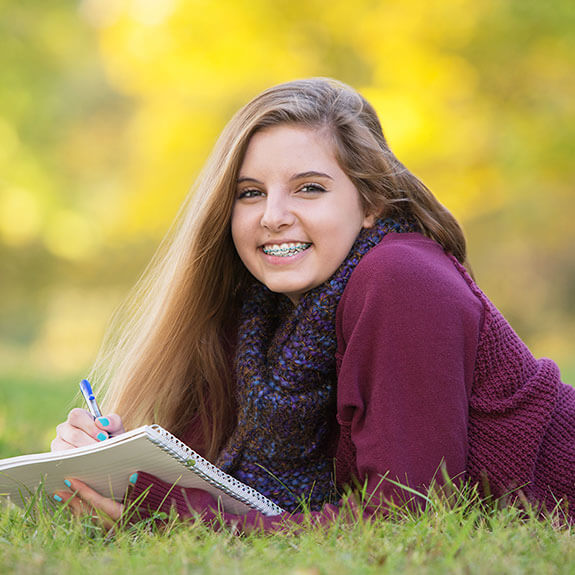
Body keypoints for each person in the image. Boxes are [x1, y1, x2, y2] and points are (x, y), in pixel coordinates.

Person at [51, 77, 575, 531]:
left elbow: (408, 520)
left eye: (309, 188)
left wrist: (177, 517)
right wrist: (105, 462)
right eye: (250, 193)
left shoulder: (402, 280)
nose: (273, 216)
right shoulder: (260, 312)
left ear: (371, 202)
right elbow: (210, 479)